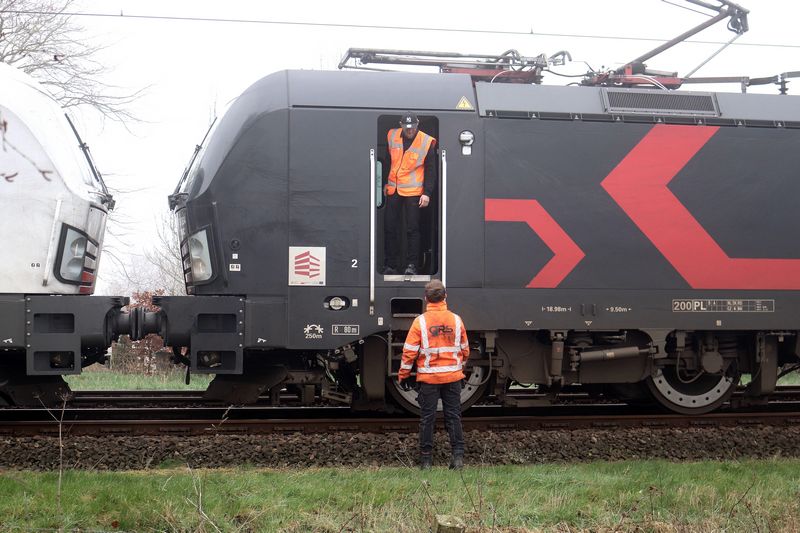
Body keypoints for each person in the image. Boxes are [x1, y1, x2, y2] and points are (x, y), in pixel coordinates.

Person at [398, 280, 470, 470]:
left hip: (429, 380)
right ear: (445, 297)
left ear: (426, 298)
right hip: (453, 379)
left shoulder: (419, 322)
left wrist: (403, 375)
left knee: (427, 418)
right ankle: (458, 458)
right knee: (453, 416)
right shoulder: (456, 320)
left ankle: (426, 461)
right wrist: (457, 367)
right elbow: (465, 350)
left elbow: (409, 352)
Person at [382, 111, 437, 276]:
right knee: (390, 226)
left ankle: (411, 265)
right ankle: (391, 264)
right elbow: (387, 160)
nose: (409, 130)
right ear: (401, 125)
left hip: (414, 191)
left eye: (412, 127)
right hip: (394, 189)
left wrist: (427, 193)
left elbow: (431, 170)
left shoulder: (426, 142)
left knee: (412, 229)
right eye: (406, 128)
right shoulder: (392, 136)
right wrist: (385, 182)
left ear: (417, 124)